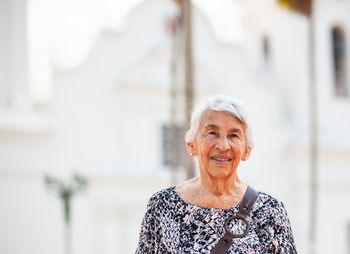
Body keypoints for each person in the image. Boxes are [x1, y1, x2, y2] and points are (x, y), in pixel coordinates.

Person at [136, 95, 297, 253]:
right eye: (212, 133)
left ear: (246, 150)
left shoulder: (270, 211)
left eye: (234, 135)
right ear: (191, 144)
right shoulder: (163, 205)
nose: (223, 145)